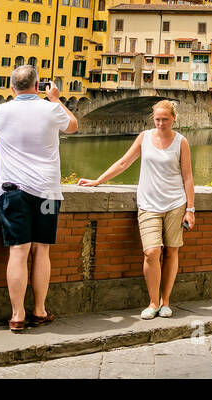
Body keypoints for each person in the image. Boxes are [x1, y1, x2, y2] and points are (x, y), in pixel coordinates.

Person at [79, 99, 195, 319]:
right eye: (157, 119)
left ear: (174, 119)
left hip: (175, 203)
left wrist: (191, 208)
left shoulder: (181, 142)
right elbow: (124, 162)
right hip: (148, 203)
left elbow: (188, 176)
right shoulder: (144, 138)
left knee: (171, 251)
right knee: (152, 252)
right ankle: (152, 302)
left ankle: (165, 301)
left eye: (165, 120)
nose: (161, 123)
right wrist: (98, 181)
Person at [0, 65, 78, 333]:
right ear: (38, 85)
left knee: (18, 251)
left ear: (11, 87)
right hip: (48, 192)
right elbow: (73, 127)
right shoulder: (51, 109)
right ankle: (39, 310)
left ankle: (17, 315)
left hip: (12, 190)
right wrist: (55, 99)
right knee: (42, 249)